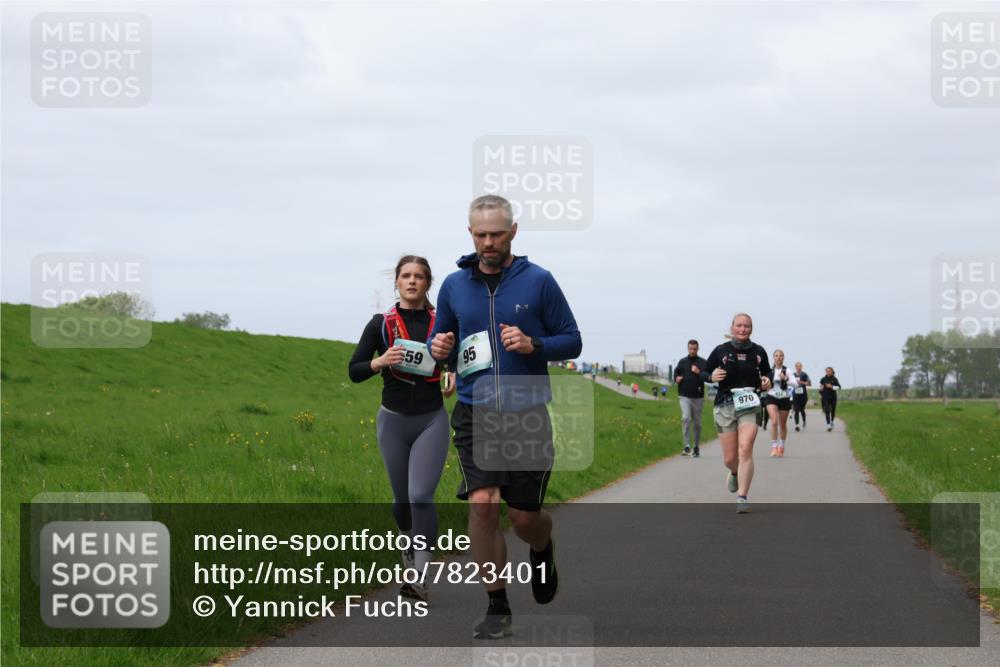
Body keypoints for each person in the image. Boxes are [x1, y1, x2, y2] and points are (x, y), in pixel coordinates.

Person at [429, 194, 582, 639]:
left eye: (496, 234)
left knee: (523, 518)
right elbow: (443, 343)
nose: (488, 242)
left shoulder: (539, 281)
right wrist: (441, 349)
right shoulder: (454, 286)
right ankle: (497, 605)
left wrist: (534, 344)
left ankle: (542, 546)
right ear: (470, 233)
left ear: (513, 231)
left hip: (526, 412)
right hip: (475, 411)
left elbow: (572, 340)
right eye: (480, 234)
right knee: (483, 504)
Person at [348, 255, 456, 602]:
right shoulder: (380, 324)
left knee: (421, 495)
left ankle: (420, 577)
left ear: (428, 283)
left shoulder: (444, 323)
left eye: (419, 276)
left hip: (431, 419)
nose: (412, 281)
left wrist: (452, 374)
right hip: (392, 420)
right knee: (402, 502)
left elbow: (457, 362)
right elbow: (354, 370)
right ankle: (407, 542)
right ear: (396, 282)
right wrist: (379, 361)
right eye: (405, 275)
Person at [699, 314, 772, 513]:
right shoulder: (721, 350)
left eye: (747, 326)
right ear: (732, 328)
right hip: (725, 404)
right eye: (739, 325)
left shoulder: (758, 351)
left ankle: (742, 497)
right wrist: (711, 376)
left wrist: (767, 379)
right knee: (730, 458)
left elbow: (768, 371)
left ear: (751, 329)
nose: (743, 329)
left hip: (750, 402)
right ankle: (734, 471)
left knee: (745, 448)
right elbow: (704, 373)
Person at [674, 339, 707, 458]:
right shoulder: (682, 362)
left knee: (697, 423)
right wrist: (676, 378)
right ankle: (686, 445)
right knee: (686, 418)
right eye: (690, 349)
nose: (692, 351)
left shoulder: (702, 362)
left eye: (694, 349)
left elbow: (707, 376)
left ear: (698, 349)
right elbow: (676, 373)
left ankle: (696, 446)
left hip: (698, 397)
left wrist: (698, 372)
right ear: (688, 349)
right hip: (684, 395)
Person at [763, 349, 795, 457]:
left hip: (784, 398)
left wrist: (785, 378)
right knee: (774, 422)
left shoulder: (787, 370)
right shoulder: (770, 371)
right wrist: (764, 384)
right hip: (771, 397)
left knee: (782, 425)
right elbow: (763, 382)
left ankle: (781, 445)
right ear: (774, 358)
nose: (779, 357)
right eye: (776, 356)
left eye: (781, 356)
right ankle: (774, 447)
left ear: (783, 358)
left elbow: (795, 384)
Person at [819, 367, 842, 431]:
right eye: (827, 371)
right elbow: (821, 386)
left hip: (833, 397)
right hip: (825, 397)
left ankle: (832, 421)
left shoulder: (834, 379)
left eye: (829, 371)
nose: (828, 372)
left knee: (833, 410)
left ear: (832, 372)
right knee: (827, 410)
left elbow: (839, 387)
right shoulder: (823, 379)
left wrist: (831, 386)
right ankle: (828, 425)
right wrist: (820, 393)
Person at [792, 361, 811, 431]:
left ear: (801, 367)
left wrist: (802, 382)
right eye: (797, 366)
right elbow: (789, 383)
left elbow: (809, 384)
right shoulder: (793, 375)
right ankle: (797, 425)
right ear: (795, 367)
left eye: (799, 366)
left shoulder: (804, 375)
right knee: (796, 410)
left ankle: (804, 421)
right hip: (795, 395)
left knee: (802, 409)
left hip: (803, 395)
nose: (798, 367)